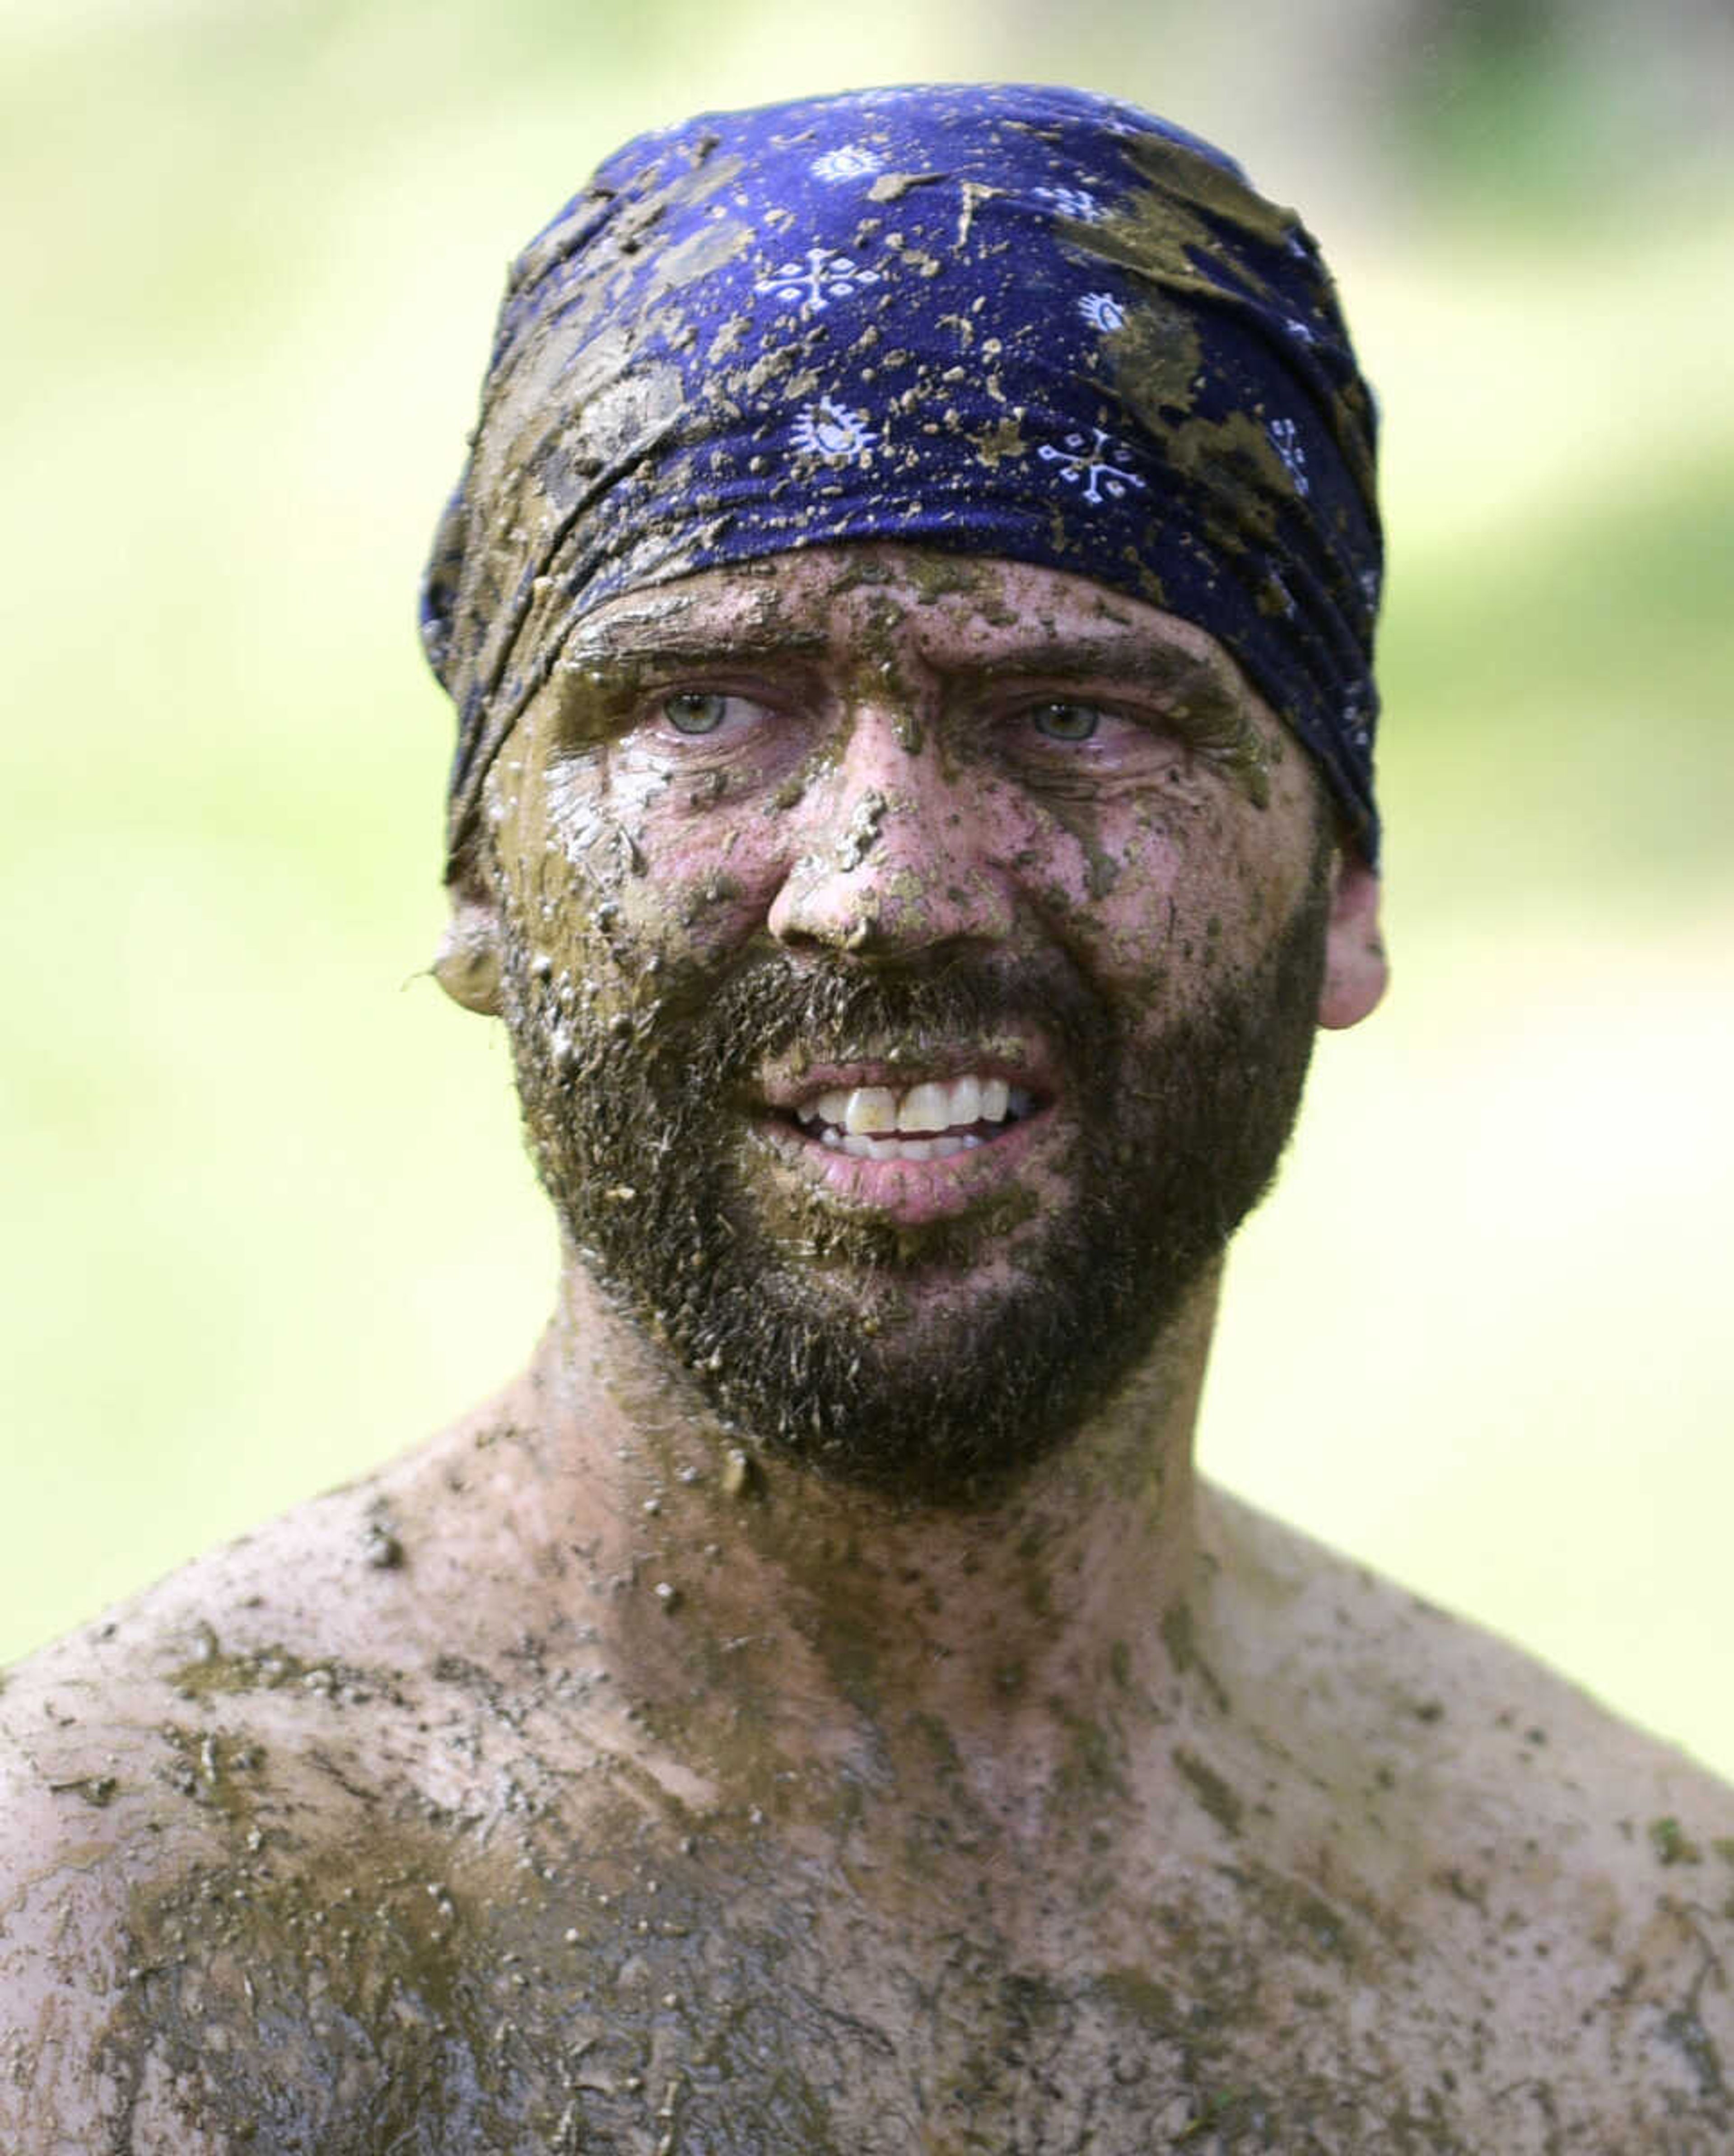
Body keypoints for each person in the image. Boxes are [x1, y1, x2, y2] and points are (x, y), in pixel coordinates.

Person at [2, 82, 1729, 2153]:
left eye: (1075, 714)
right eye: (708, 705)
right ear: (477, 874)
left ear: (1342, 887)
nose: (885, 877)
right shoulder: (92, 1952)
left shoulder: (1628, 1979)